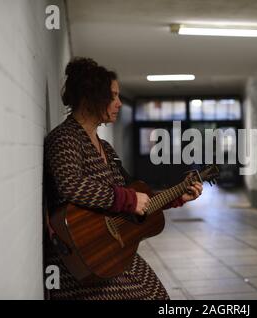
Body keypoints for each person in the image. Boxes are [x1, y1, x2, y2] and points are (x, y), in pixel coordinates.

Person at [43, 57, 203, 300]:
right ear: (89, 98)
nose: (119, 103)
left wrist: (175, 197)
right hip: (84, 256)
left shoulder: (105, 147)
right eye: (113, 96)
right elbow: (70, 185)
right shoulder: (65, 138)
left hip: (111, 250)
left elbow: (136, 195)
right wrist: (127, 200)